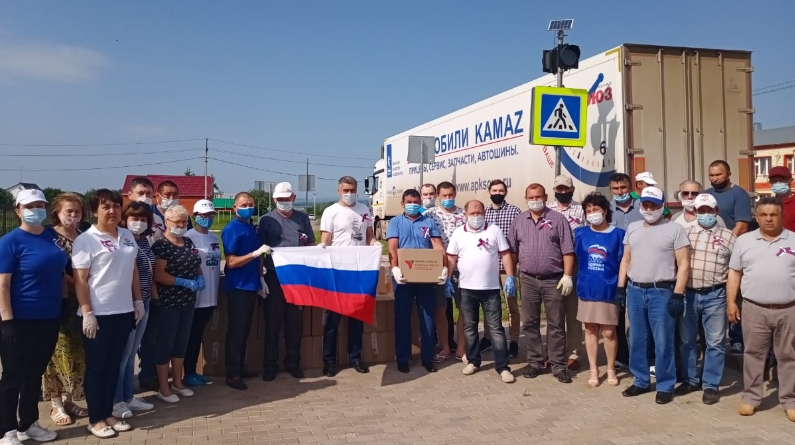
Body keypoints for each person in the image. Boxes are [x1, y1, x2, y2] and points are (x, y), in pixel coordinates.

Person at [72, 189, 144, 438]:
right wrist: (87, 312)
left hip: (123, 311)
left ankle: (108, 411)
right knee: (97, 366)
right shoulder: (86, 240)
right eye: (105, 207)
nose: (112, 211)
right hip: (98, 314)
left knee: (114, 365)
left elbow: (133, 269)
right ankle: (95, 418)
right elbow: (80, 280)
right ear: (95, 211)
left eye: (116, 206)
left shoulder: (127, 235)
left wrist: (138, 300)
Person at [0, 189, 67, 444]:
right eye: (29, 206)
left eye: (40, 205)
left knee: (34, 373)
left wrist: (63, 303)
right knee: (13, 376)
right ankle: (6, 429)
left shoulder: (52, 236)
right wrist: (7, 321)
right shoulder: (10, 241)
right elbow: (3, 285)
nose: (35, 210)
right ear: (18, 210)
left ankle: (28, 423)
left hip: (48, 317)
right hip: (18, 320)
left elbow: (61, 272)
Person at [617, 186, 690, 404]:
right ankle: (640, 380)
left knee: (663, 340)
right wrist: (621, 288)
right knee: (637, 339)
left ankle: (665, 384)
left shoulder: (674, 229)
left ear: (662, 206)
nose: (649, 209)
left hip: (662, 291)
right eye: (645, 204)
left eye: (653, 205)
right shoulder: (633, 228)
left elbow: (683, 263)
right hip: (635, 290)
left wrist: (678, 293)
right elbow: (626, 260)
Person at [728, 197, 795, 421]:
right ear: (756, 217)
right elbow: (735, 273)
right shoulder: (744, 241)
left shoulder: (794, 240)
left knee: (789, 356)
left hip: (789, 308)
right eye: (763, 215)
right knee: (754, 354)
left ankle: (789, 399)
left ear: (782, 216)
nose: (768, 219)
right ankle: (751, 397)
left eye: (773, 214)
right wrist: (731, 302)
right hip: (754, 308)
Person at [508, 183, 575, 384]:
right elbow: (513, 251)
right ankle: (535, 362)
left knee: (556, 323)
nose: (535, 200)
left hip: (553, 279)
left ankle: (558, 365)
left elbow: (568, 250)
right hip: (528, 279)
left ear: (545, 197)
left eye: (538, 197)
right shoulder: (519, 221)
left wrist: (568, 275)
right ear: (526, 199)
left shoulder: (558, 219)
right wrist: (511, 275)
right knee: (530, 322)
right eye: (531, 197)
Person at [447, 199, 516, 383]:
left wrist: (510, 276)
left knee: (496, 329)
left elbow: (505, 254)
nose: (476, 216)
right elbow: (451, 257)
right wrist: (447, 278)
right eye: (472, 213)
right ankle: (473, 361)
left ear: (484, 213)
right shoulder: (458, 233)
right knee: (470, 327)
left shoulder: (494, 230)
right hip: (467, 289)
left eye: (479, 213)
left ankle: (503, 367)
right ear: (465, 214)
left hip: (490, 289)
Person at [677, 193, 736, 405]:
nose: (705, 214)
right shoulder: (684, 234)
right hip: (689, 294)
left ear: (716, 211)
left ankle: (711, 384)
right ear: (695, 211)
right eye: (701, 210)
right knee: (687, 340)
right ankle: (690, 379)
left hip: (716, 295)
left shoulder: (729, 237)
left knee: (716, 342)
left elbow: (735, 269)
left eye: (709, 210)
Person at [319, 176, 377, 377]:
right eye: (346, 190)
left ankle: (355, 357)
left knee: (356, 318)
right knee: (332, 320)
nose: (349, 194)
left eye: (352, 190)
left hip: (358, 271)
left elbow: (369, 234)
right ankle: (329, 361)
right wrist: (321, 249)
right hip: (337, 271)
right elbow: (326, 239)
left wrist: (374, 244)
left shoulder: (364, 209)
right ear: (339, 190)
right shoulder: (331, 211)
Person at [41, 193, 89, 427]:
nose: (73, 215)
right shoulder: (49, 237)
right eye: (68, 211)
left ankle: (69, 400)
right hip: (60, 302)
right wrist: (79, 285)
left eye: (77, 211)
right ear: (57, 213)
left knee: (77, 353)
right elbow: (57, 271)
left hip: (83, 303)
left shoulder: (85, 236)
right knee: (56, 353)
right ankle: (56, 403)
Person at [387, 189, 447, 373]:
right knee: (402, 317)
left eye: (415, 202)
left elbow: (437, 246)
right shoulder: (395, 222)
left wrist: (443, 267)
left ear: (420, 203)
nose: (412, 205)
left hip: (425, 277)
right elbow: (392, 247)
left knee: (427, 318)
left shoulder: (428, 222)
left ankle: (427, 358)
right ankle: (403, 358)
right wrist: (394, 268)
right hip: (403, 278)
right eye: (409, 202)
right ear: (403, 204)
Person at [259, 182, 313, 381]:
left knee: (295, 323)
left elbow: (310, 243)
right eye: (280, 199)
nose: (284, 202)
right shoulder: (266, 220)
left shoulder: (302, 218)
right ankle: (270, 366)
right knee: (272, 323)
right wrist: (260, 276)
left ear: (293, 198)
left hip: (297, 278)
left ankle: (293, 363)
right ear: (275, 200)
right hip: (274, 277)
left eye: (287, 199)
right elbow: (260, 250)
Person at [151, 205, 203, 403]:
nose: (181, 225)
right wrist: (181, 281)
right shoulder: (161, 245)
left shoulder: (188, 241)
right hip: (168, 302)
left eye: (184, 222)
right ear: (167, 222)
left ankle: (178, 383)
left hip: (188, 301)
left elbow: (195, 263)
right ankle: (164, 388)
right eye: (177, 222)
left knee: (181, 342)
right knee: (166, 343)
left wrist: (199, 277)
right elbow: (159, 274)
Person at [574, 193, 624, 388]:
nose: (592, 213)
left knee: (609, 332)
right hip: (588, 288)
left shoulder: (619, 234)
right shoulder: (580, 234)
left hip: (609, 288)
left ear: (604, 211)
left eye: (595, 209)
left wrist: (621, 286)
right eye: (588, 211)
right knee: (590, 329)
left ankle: (611, 368)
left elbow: (623, 262)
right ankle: (594, 369)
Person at [112, 202, 157, 419]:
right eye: (134, 218)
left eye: (143, 219)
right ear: (125, 219)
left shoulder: (143, 241)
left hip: (144, 301)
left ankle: (128, 396)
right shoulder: (123, 241)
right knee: (122, 354)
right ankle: (116, 400)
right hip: (128, 303)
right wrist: (136, 300)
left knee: (131, 354)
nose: (138, 223)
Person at [221, 192, 270, 391]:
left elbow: (259, 256)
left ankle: (240, 367)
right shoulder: (232, 229)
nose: (248, 207)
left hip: (251, 284)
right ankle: (232, 374)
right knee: (237, 331)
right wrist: (255, 254)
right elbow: (231, 262)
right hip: (238, 286)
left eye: (251, 204)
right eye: (243, 205)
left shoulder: (251, 227)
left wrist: (260, 278)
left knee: (245, 330)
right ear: (235, 207)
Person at [705, 160, 752, 355]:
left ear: (729, 174)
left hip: (732, 251)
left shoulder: (739, 194)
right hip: (710, 252)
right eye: (712, 175)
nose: (715, 178)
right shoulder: (707, 194)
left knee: (735, 296)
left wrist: (723, 242)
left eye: (719, 174)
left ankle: (737, 339)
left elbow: (742, 226)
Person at [423, 181, 466, 362]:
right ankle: (445, 347)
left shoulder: (464, 215)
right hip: (438, 270)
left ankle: (461, 348)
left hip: (461, 269)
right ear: (438, 196)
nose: (448, 198)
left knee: (464, 309)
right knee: (440, 310)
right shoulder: (428, 215)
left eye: (451, 195)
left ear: (455, 194)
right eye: (444, 196)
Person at [548, 174, 585, 371]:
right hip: (553, 265)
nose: (562, 192)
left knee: (573, 311)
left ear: (572, 189)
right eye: (559, 189)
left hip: (575, 264)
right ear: (554, 190)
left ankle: (574, 352)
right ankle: (555, 352)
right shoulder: (547, 210)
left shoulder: (582, 209)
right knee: (554, 312)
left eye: (566, 188)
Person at [183, 200, 222, 387]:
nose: (207, 218)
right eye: (203, 215)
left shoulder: (213, 237)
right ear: (195, 216)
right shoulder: (188, 237)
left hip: (210, 295)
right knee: (191, 336)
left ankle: (192, 371)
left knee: (198, 335)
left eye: (210, 215)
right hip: (195, 296)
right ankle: (187, 372)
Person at [483, 179, 522, 357]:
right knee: (489, 305)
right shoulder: (484, 213)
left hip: (508, 267)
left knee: (511, 305)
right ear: (489, 192)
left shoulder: (514, 211)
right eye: (494, 190)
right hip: (489, 267)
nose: (497, 193)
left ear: (505, 192)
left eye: (500, 191)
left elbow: (519, 238)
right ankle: (488, 337)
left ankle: (514, 341)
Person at [608, 173, 643, 369]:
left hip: (640, 266)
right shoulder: (607, 210)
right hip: (615, 269)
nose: (619, 192)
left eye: (623, 188)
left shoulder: (642, 207)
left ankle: (645, 356)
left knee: (641, 316)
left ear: (630, 188)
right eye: (615, 189)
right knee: (618, 315)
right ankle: (621, 356)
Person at [127, 176, 165, 244]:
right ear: (130, 195)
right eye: (141, 193)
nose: (145, 197)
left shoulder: (158, 219)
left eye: (148, 193)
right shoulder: (123, 219)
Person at [768, 166, 795, 231]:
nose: (778, 183)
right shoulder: (769, 204)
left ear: (791, 181)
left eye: (781, 180)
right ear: (770, 183)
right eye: (774, 181)